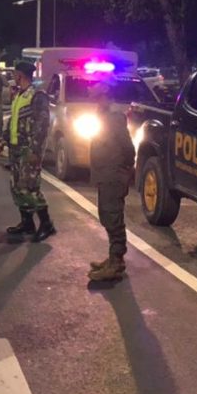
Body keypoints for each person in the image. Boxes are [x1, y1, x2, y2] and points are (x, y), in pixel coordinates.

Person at [85, 80, 135, 281]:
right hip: (105, 172)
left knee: (112, 215)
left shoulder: (114, 116)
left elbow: (127, 146)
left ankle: (116, 261)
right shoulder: (103, 114)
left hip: (113, 173)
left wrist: (124, 169)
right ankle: (114, 258)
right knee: (106, 213)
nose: (95, 100)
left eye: (96, 96)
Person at [6, 61, 56, 243]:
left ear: (21, 75)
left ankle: (46, 223)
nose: (13, 77)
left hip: (29, 150)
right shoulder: (20, 95)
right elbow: (14, 120)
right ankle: (27, 223)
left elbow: (42, 126)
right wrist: (4, 139)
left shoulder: (38, 96)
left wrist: (35, 150)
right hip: (16, 148)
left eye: (15, 73)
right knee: (17, 187)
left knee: (30, 188)